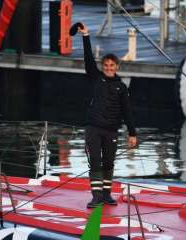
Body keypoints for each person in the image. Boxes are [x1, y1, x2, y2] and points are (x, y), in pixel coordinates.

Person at [78, 23, 137, 208]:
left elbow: (127, 111)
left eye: (112, 65)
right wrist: (86, 35)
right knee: (95, 162)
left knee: (109, 163)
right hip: (93, 128)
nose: (109, 68)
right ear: (102, 66)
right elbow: (88, 60)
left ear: (117, 66)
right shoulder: (96, 78)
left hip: (112, 130)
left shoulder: (122, 87)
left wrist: (132, 133)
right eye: (106, 65)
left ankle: (106, 195)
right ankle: (96, 197)